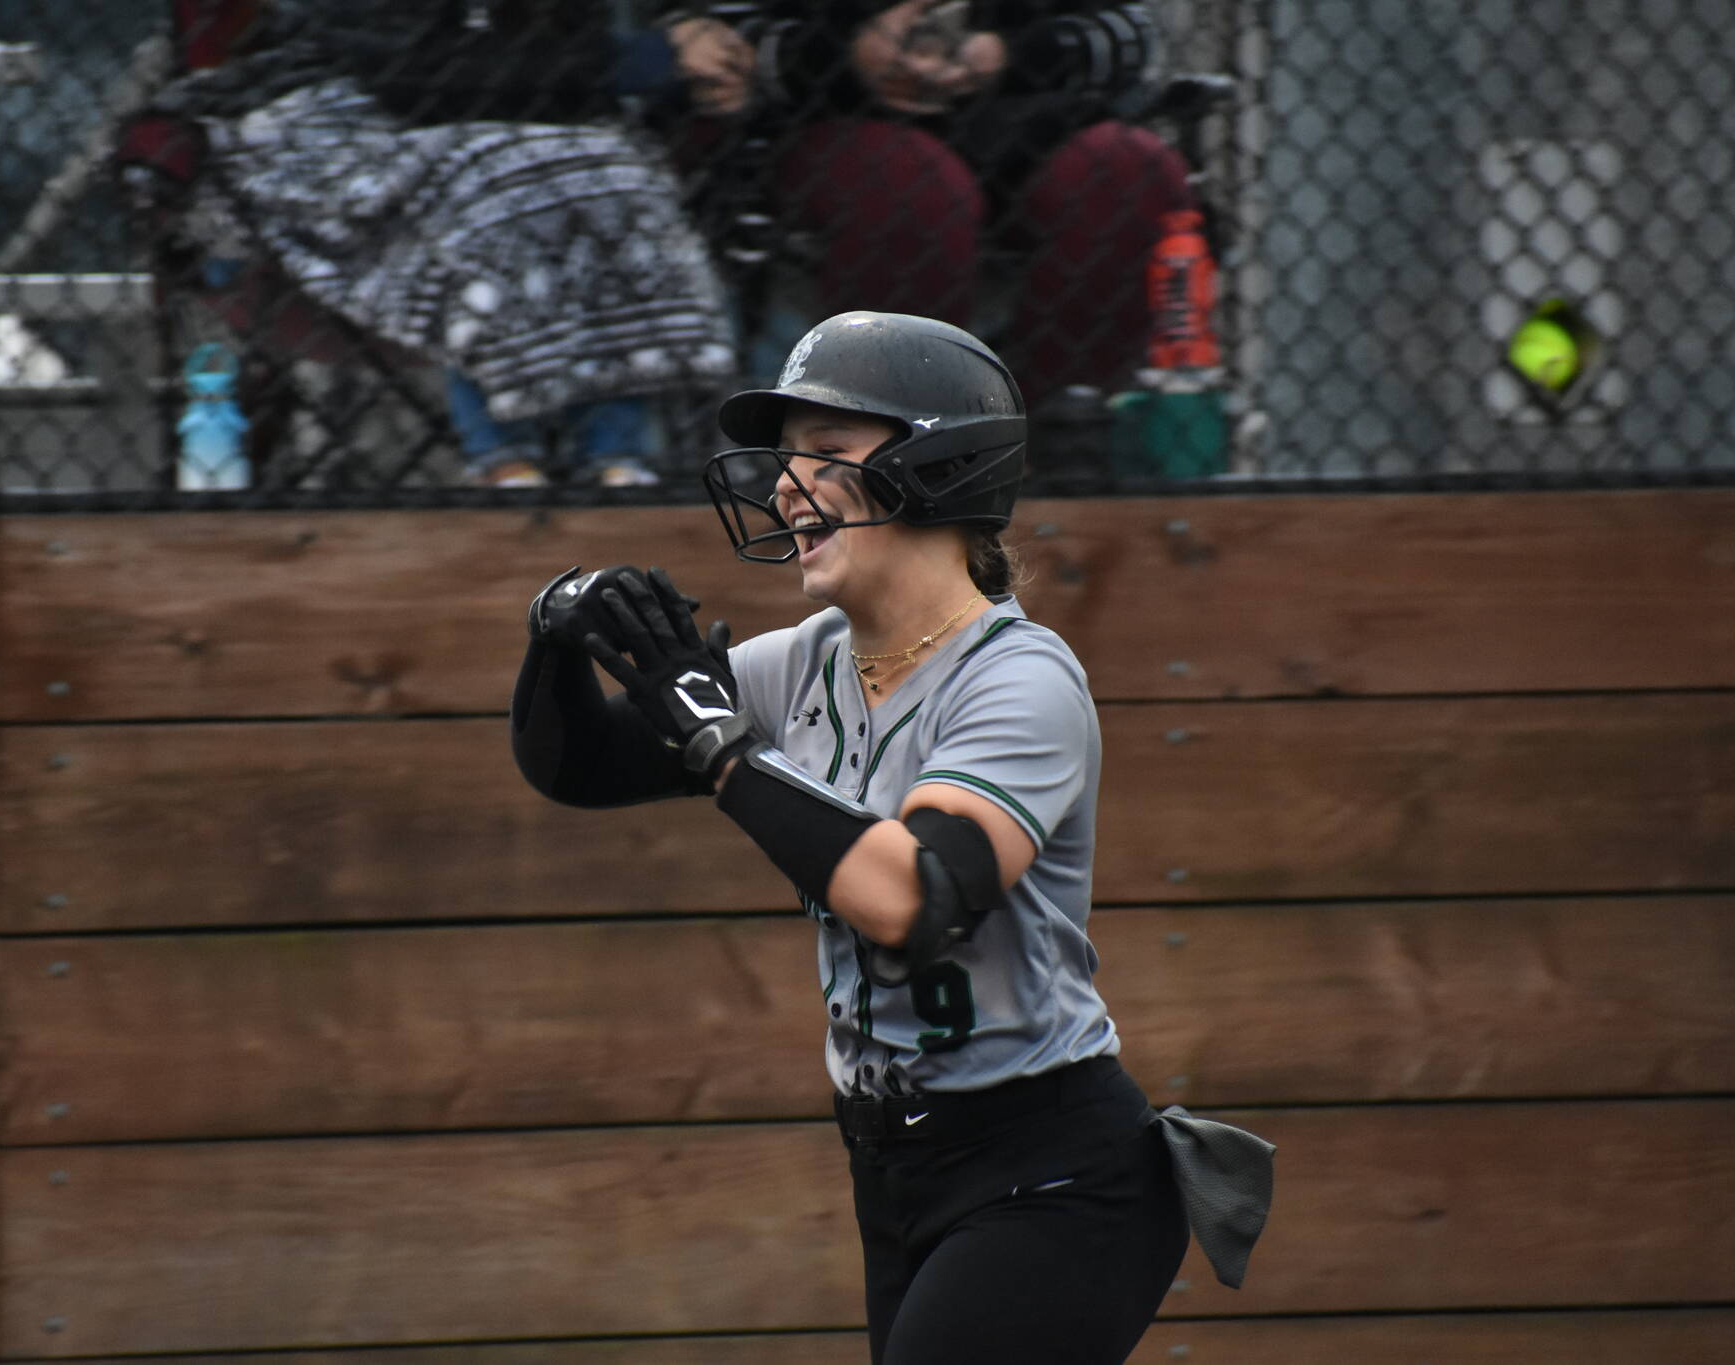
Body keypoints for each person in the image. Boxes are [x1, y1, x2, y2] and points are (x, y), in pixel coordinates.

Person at [509, 310, 1271, 1363]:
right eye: (787, 460)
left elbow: (911, 895)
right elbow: (577, 767)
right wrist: (556, 633)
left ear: (938, 466)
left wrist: (723, 751)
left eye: (826, 455)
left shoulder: (1020, 677)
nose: (786, 486)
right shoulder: (806, 661)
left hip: (1049, 1176)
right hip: (896, 1173)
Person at [123, 0, 750, 487]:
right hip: (353, 114)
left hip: (536, 120)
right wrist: (641, 57)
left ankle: (616, 453)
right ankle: (505, 456)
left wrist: (684, 53)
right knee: (496, 188)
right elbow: (416, 72)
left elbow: (568, 63)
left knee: (617, 175)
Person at [686, 1, 1193, 407]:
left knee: (1132, 170)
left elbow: (1132, 34)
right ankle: (903, 426)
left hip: (1029, 118)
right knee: (913, 189)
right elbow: (715, 43)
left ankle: (1061, 417)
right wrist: (849, 57)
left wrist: (1008, 54)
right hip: (830, 120)